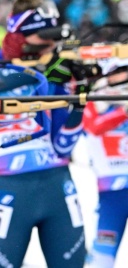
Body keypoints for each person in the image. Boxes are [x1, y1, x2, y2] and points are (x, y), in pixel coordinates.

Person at [0, 0, 87, 267]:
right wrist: (39, 73)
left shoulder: (54, 73)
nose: (50, 50)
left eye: (53, 45)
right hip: (12, 190)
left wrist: (77, 101)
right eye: (42, 44)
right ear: (19, 40)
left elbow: (62, 145)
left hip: (58, 186)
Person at [83, 59, 128, 268]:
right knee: (102, 258)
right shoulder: (96, 101)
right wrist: (123, 111)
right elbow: (93, 126)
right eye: (118, 71)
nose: (123, 76)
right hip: (113, 194)